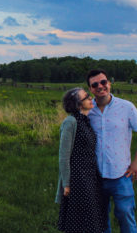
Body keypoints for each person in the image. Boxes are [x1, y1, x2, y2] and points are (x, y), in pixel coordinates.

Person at [86, 69, 137, 233]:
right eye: (95, 84)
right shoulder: (87, 111)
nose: (100, 87)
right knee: (100, 221)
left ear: (109, 83)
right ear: (90, 89)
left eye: (103, 82)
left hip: (121, 174)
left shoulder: (126, 107)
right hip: (97, 177)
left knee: (125, 214)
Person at [56, 87, 108, 233]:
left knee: (92, 217)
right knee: (78, 221)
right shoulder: (70, 122)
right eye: (86, 97)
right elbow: (64, 156)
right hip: (78, 179)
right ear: (78, 104)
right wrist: (66, 184)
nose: (91, 98)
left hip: (91, 176)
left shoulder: (86, 121)